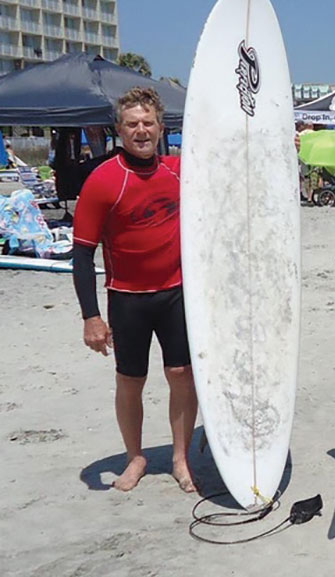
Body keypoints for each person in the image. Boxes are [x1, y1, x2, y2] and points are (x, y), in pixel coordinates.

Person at [71, 87, 198, 494]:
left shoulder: (183, 170)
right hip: (127, 297)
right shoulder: (103, 180)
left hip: (177, 293)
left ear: (162, 128)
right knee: (130, 379)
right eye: (132, 124)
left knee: (182, 374)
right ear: (119, 130)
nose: (141, 131)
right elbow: (81, 255)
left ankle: (181, 457)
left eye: (148, 123)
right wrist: (91, 317)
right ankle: (136, 457)